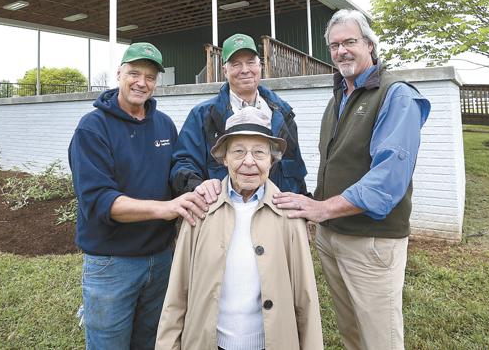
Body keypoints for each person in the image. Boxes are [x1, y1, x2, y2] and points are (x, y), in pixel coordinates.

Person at [272, 9, 431, 350]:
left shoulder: (396, 95)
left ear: (370, 45)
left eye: (350, 42)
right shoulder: (341, 95)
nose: (341, 51)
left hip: (370, 242)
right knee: (351, 333)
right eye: (334, 45)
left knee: (380, 339)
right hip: (332, 236)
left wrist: (322, 209)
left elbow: (387, 181)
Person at [69, 42, 209, 350]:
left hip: (160, 259)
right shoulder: (93, 129)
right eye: (134, 73)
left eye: (150, 77)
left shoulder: (164, 125)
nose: (141, 83)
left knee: (153, 341)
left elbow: (176, 174)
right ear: (119, 73)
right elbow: (100, 201)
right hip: (112, 263)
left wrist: (198, 186)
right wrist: (166, 209)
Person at [156, 108, 322, 350]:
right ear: (224, 158)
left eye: (259, 152)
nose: (249, 162)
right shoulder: (202, 209)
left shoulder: (289, 215)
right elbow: (177, 294)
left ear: (272, 159)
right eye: (238, 151)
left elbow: (305, 300)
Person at [171, 33, 308, 206]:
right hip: (223, 214)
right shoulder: (202, 115)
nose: (245, 70)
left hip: (276, 213)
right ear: (225, 71)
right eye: (236, 64)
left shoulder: (283, 113)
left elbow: (295, 170)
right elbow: (183, 164)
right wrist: (198, 186)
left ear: (260, 66)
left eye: (250, 62)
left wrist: (302, 204)